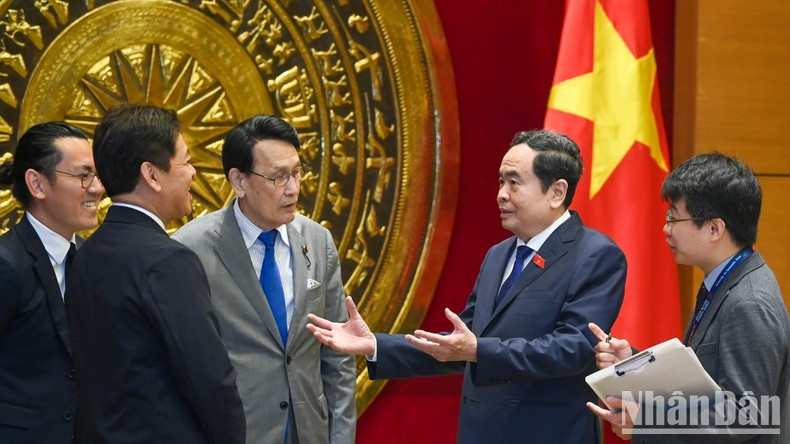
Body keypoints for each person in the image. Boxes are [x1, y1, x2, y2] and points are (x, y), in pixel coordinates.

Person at [307, 129, 627, 443]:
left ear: (557, 191)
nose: (501, 193)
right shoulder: (498, 255)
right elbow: (463, 344)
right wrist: (376, 346)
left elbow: (572, 349)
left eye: (514, 182)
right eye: (501, 181)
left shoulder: (595, 255)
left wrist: (477, 350)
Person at [65, 104, 246, 444]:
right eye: (187, 161)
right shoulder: (168, 260)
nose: (193, 173)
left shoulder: (86, 254)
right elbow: (208, 378)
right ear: (151, 174)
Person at [173, 114, 356, 443]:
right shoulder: (191, 249)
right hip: (237, 432)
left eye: (297, 173)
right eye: (279, 177)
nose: (294, 189)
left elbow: (338, 357)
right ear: (239, 181)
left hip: (308, 431)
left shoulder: (317, 241)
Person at [588, 153, 789, 443]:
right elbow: (700, 383)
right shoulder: (724, 282)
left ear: (714, 228)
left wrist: (646, 421)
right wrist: (633, 362)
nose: (665, 229)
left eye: (673, 218)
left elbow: (748, 415)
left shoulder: (749, 302)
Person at [0, 122, 103, 442]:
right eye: (83, 175)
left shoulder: (91, 260)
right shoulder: (7, 264)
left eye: (97, 176)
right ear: (37, 183)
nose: (97, 188)